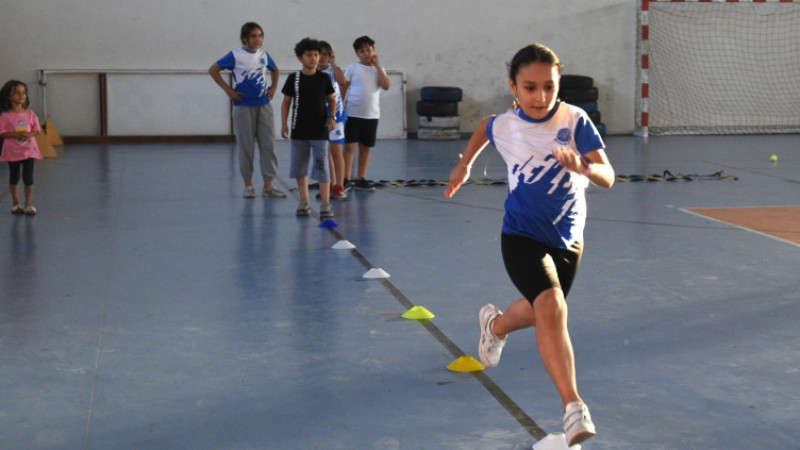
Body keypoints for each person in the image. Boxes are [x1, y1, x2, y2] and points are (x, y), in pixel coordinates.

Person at [445, 44, 615, 447]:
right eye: (530, 87)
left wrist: (584, 166)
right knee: (553, 306)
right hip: (520, 234)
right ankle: (573, 407)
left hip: (569, 238)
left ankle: (496, 325)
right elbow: (485, 127)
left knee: (543, 312)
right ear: (513, 87)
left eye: (549, 87)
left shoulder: (575, 119)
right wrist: (465, 165)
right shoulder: (504, 123)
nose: (540, 97)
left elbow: (608, 176)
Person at [209, 22, 286, 199]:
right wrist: (228, 90)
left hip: (263, 105)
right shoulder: (236, 55)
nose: (257, 39)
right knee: (246, 147)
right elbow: (214, 70)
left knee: (268, 145)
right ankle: (248, 185)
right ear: (245, 38)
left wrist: (273, 88)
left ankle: (269, 186)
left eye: (260, 35)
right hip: (244, 107)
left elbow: (275, 69)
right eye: (253, 36)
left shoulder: (264, 55)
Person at [280, 38, 337, 218]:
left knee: (322, 167)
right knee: (300, 167)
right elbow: (286, 102)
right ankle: (304, 201)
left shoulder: (324, 78)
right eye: (309, 55)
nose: (313, 58)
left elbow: (332, 99)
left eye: (316, 55)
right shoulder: (293, 79)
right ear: (300, 58)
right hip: (299, 131)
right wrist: (284, 124)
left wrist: (332, 116)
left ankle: (326, 204)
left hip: (320, 131)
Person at [339, 36, 391, 191]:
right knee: (349, 147)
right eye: (362, 51)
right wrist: (340, 106)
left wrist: (378, 66)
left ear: (374, 51)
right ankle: (346, 178)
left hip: (371, 115)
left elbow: (386, 86)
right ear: (357, 54)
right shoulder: (353, 68)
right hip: (353, 113)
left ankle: (361, 178)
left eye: (368, 50)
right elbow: (344, 87)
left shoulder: (379, 70)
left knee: (366, 147)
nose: (366, 53)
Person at [0, 80, 43, 215]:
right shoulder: (5, 116)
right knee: (14, 176)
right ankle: (16, 203)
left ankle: (28, 204)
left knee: (28, 177)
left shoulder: (30, 114)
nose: (21, 95)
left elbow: (37, 130)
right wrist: (16, 135)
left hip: (28, 149)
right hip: (12, 151)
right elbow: (2, 132)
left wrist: (28, 134)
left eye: (23, 92)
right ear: (9, 96)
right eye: (17, 93)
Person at [317, 40, 348, 200]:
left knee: (336, 151)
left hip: (337, 116)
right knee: (325, 152)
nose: (322, 57)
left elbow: (343, 82)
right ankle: (330, 184)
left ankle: (340, 186)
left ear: (330, 56)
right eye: (319, 53)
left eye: (325, 54)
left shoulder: (332, 71)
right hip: (320, 117)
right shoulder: (311, 72)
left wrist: (334, 63)